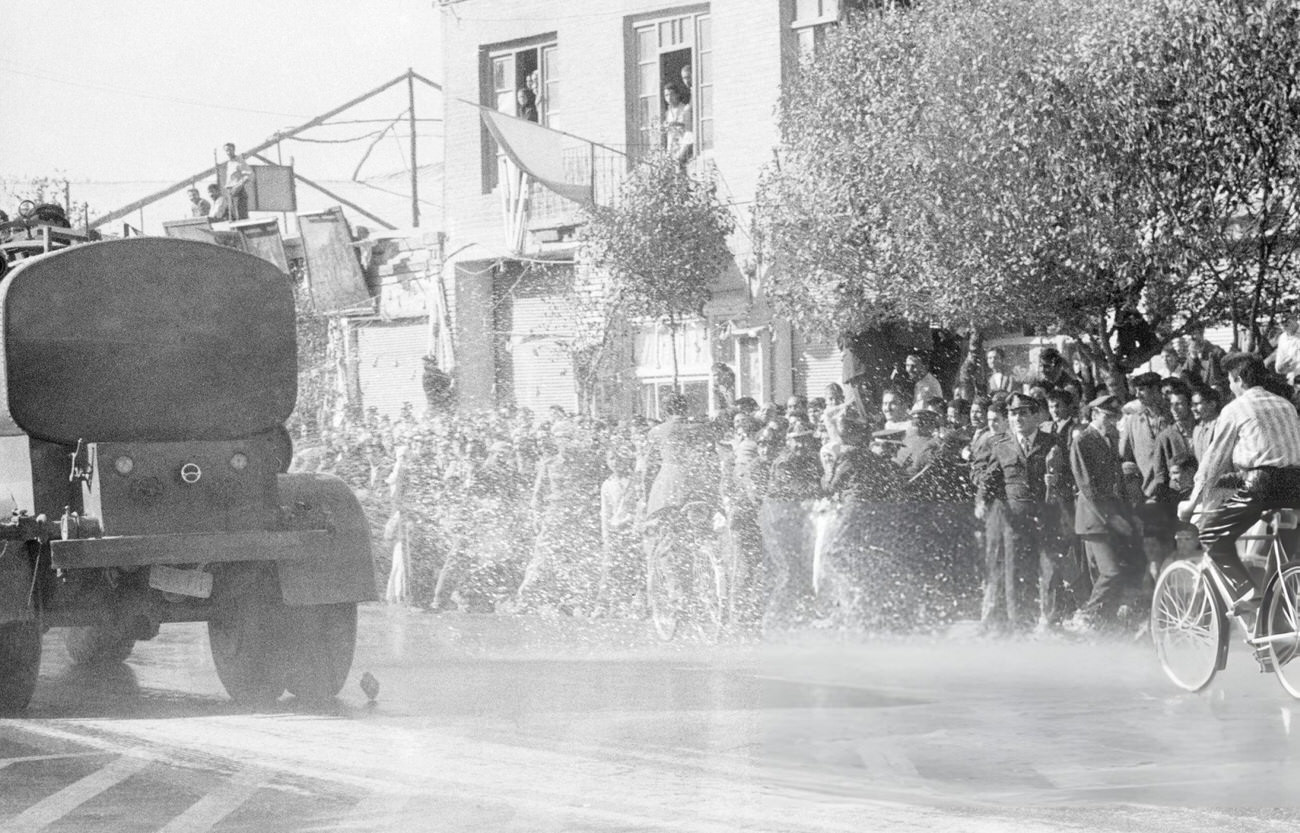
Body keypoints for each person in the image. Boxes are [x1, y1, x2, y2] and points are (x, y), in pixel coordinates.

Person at [1179, 352, 1300, 610]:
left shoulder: (1236, 409)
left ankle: (1246, 594)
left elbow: (1214, 460)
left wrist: (1192, 502)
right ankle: (1273, 626)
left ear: (1238, 379)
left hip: (1262, 485)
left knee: (1211, 533)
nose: (1231, 388)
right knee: (1281, 562)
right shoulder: (1286, 405)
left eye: (1231, 382)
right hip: (1296, 486)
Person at [976, 393, 1058, 634]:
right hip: (1016, 519)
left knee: (1050, 569)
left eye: (1023, 412)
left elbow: (1066, 477)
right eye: (1013, 413)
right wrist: (982, 499)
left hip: (1045, 515)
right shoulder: (1000, 444)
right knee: (1015, 572)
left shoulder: (1051, 441)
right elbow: (988, 478)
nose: (1018, 417)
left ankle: (1049, 623)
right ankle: (1018, 624)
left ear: (1035, 416)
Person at [1067, 394, 1145, 632]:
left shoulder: (1109, 439)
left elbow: (1118, 481)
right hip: (1095, 519)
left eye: (1115, 417)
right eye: (1108, 417)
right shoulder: (1083, 441)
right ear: (1094, 415)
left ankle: (1103, 626)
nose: (1112, 422)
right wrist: (1112, 518)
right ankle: (1087, 617)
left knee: (1102, 574)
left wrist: (1126, 514)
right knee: (1111, 573)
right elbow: (1088, 487)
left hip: (1111, 515)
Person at [661, 81, 694, 166]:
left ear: (677, 94)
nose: (669, 98)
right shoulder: (667, 113)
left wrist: (677, 124)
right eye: (666, 95)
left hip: (683, 146)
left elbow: (689, 128)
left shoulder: (685, 109)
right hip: (672, 147)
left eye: (671, 94)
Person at [1265, 313, 1300, 384]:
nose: (1284, 326)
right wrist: (1281, 367)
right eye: (1281, 324)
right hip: (1293, 380)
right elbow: (1279, 365)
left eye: (1287, 322)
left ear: (1295, 319)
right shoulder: (1282, 338)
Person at [222, 142, 254, 221]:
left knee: (240, 217)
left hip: (238, 192)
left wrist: (238, 185)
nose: (228, 152)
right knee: (232, 217)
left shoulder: (239, 161)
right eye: (226, 150)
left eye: (230, 150)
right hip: (230, 192)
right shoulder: (229, 163)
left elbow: (250, 175)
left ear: (234, 150)